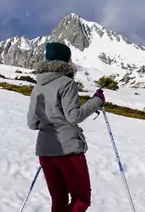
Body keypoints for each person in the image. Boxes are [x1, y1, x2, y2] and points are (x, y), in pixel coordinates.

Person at [27, 42, 105, 212]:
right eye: (70, 57)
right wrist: (97, 101)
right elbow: (74, 116)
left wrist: (49, 121)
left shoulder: (37, 87)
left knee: (59, 199)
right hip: (68, 151)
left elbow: (32, 123)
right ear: (64, 59)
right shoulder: (67, 83)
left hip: (45, 151)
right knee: (81, 199)